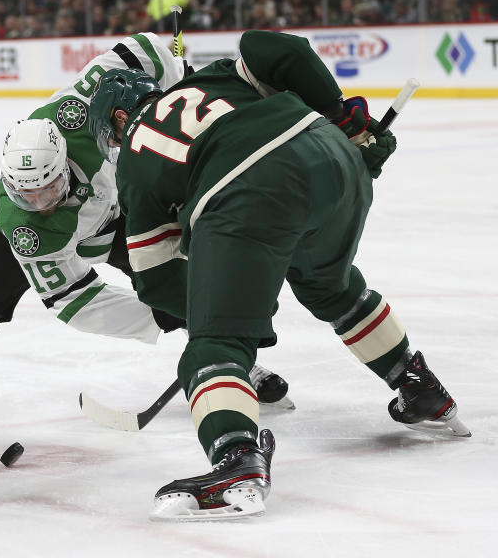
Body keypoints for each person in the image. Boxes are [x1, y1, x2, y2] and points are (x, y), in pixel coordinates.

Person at [0, 31, 293, 424]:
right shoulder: (28, 229)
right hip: (57, 237)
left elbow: (147, 49)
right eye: (27, 195)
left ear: (63, 160)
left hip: (123, 207)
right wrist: (157, 315)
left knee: (193, 276)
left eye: (46, 190)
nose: (38, 203)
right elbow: (78, 305)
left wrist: (179, 80)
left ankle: (232, 358)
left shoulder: (83, 109)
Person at [87, 29, 470, 522]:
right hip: (334, 158)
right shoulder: (216, 77)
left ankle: (236, 459)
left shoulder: (136, 157)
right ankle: (418, 385)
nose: (117, 144)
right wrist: (339, 116)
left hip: (250, 190)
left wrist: (222, 309)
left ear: (121, 117)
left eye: (113, 135)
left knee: (215, 341)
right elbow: (273, 47)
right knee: (328, 284)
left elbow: (155, 277)